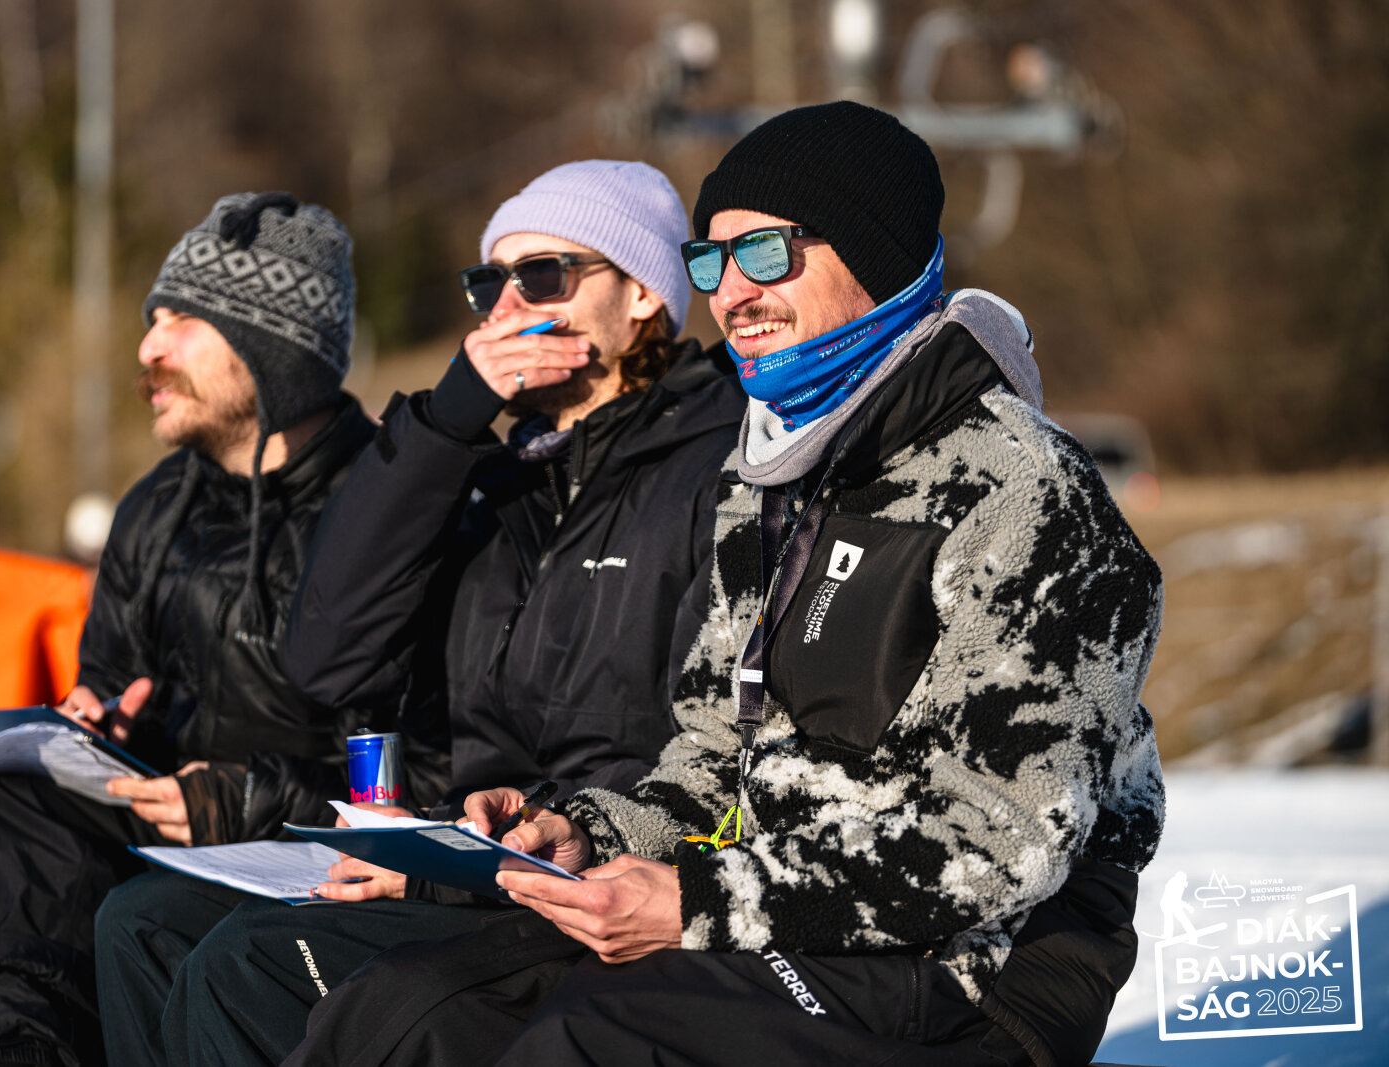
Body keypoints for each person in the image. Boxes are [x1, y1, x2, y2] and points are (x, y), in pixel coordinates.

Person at [288, 101, 1167, 1067]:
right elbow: (712, 753)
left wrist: (700, 903)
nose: (731, 293)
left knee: (590, 1038)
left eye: (766, 254)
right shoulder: (775, 481)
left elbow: (1002, 843)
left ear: (873, 253)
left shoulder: (1023, 488)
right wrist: (577, 833)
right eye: (712, 261)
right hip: (782, 920)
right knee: (408, 1011)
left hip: (973, 973)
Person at [93, 160, 747, 1066]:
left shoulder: (720, 466)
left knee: (244, 970)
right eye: (491, 284)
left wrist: (482, 853)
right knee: (140, 924)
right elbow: (326, 654)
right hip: (454, 852)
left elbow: (701, 744)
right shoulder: (493, 477)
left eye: (545, 275)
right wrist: (446, 422)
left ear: (641, 293)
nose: (510, 305)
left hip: (582, 864)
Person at [0, 193, 447, 1067]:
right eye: (152, 319)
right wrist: (95, 730)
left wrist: (247, 798)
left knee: (131, 915)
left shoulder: (383, 516)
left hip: (307, 863)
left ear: (276, 346)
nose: (147, 348)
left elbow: (432, 766)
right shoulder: (153, 509)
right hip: (156, 832)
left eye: (181, 320)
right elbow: (113, 678)